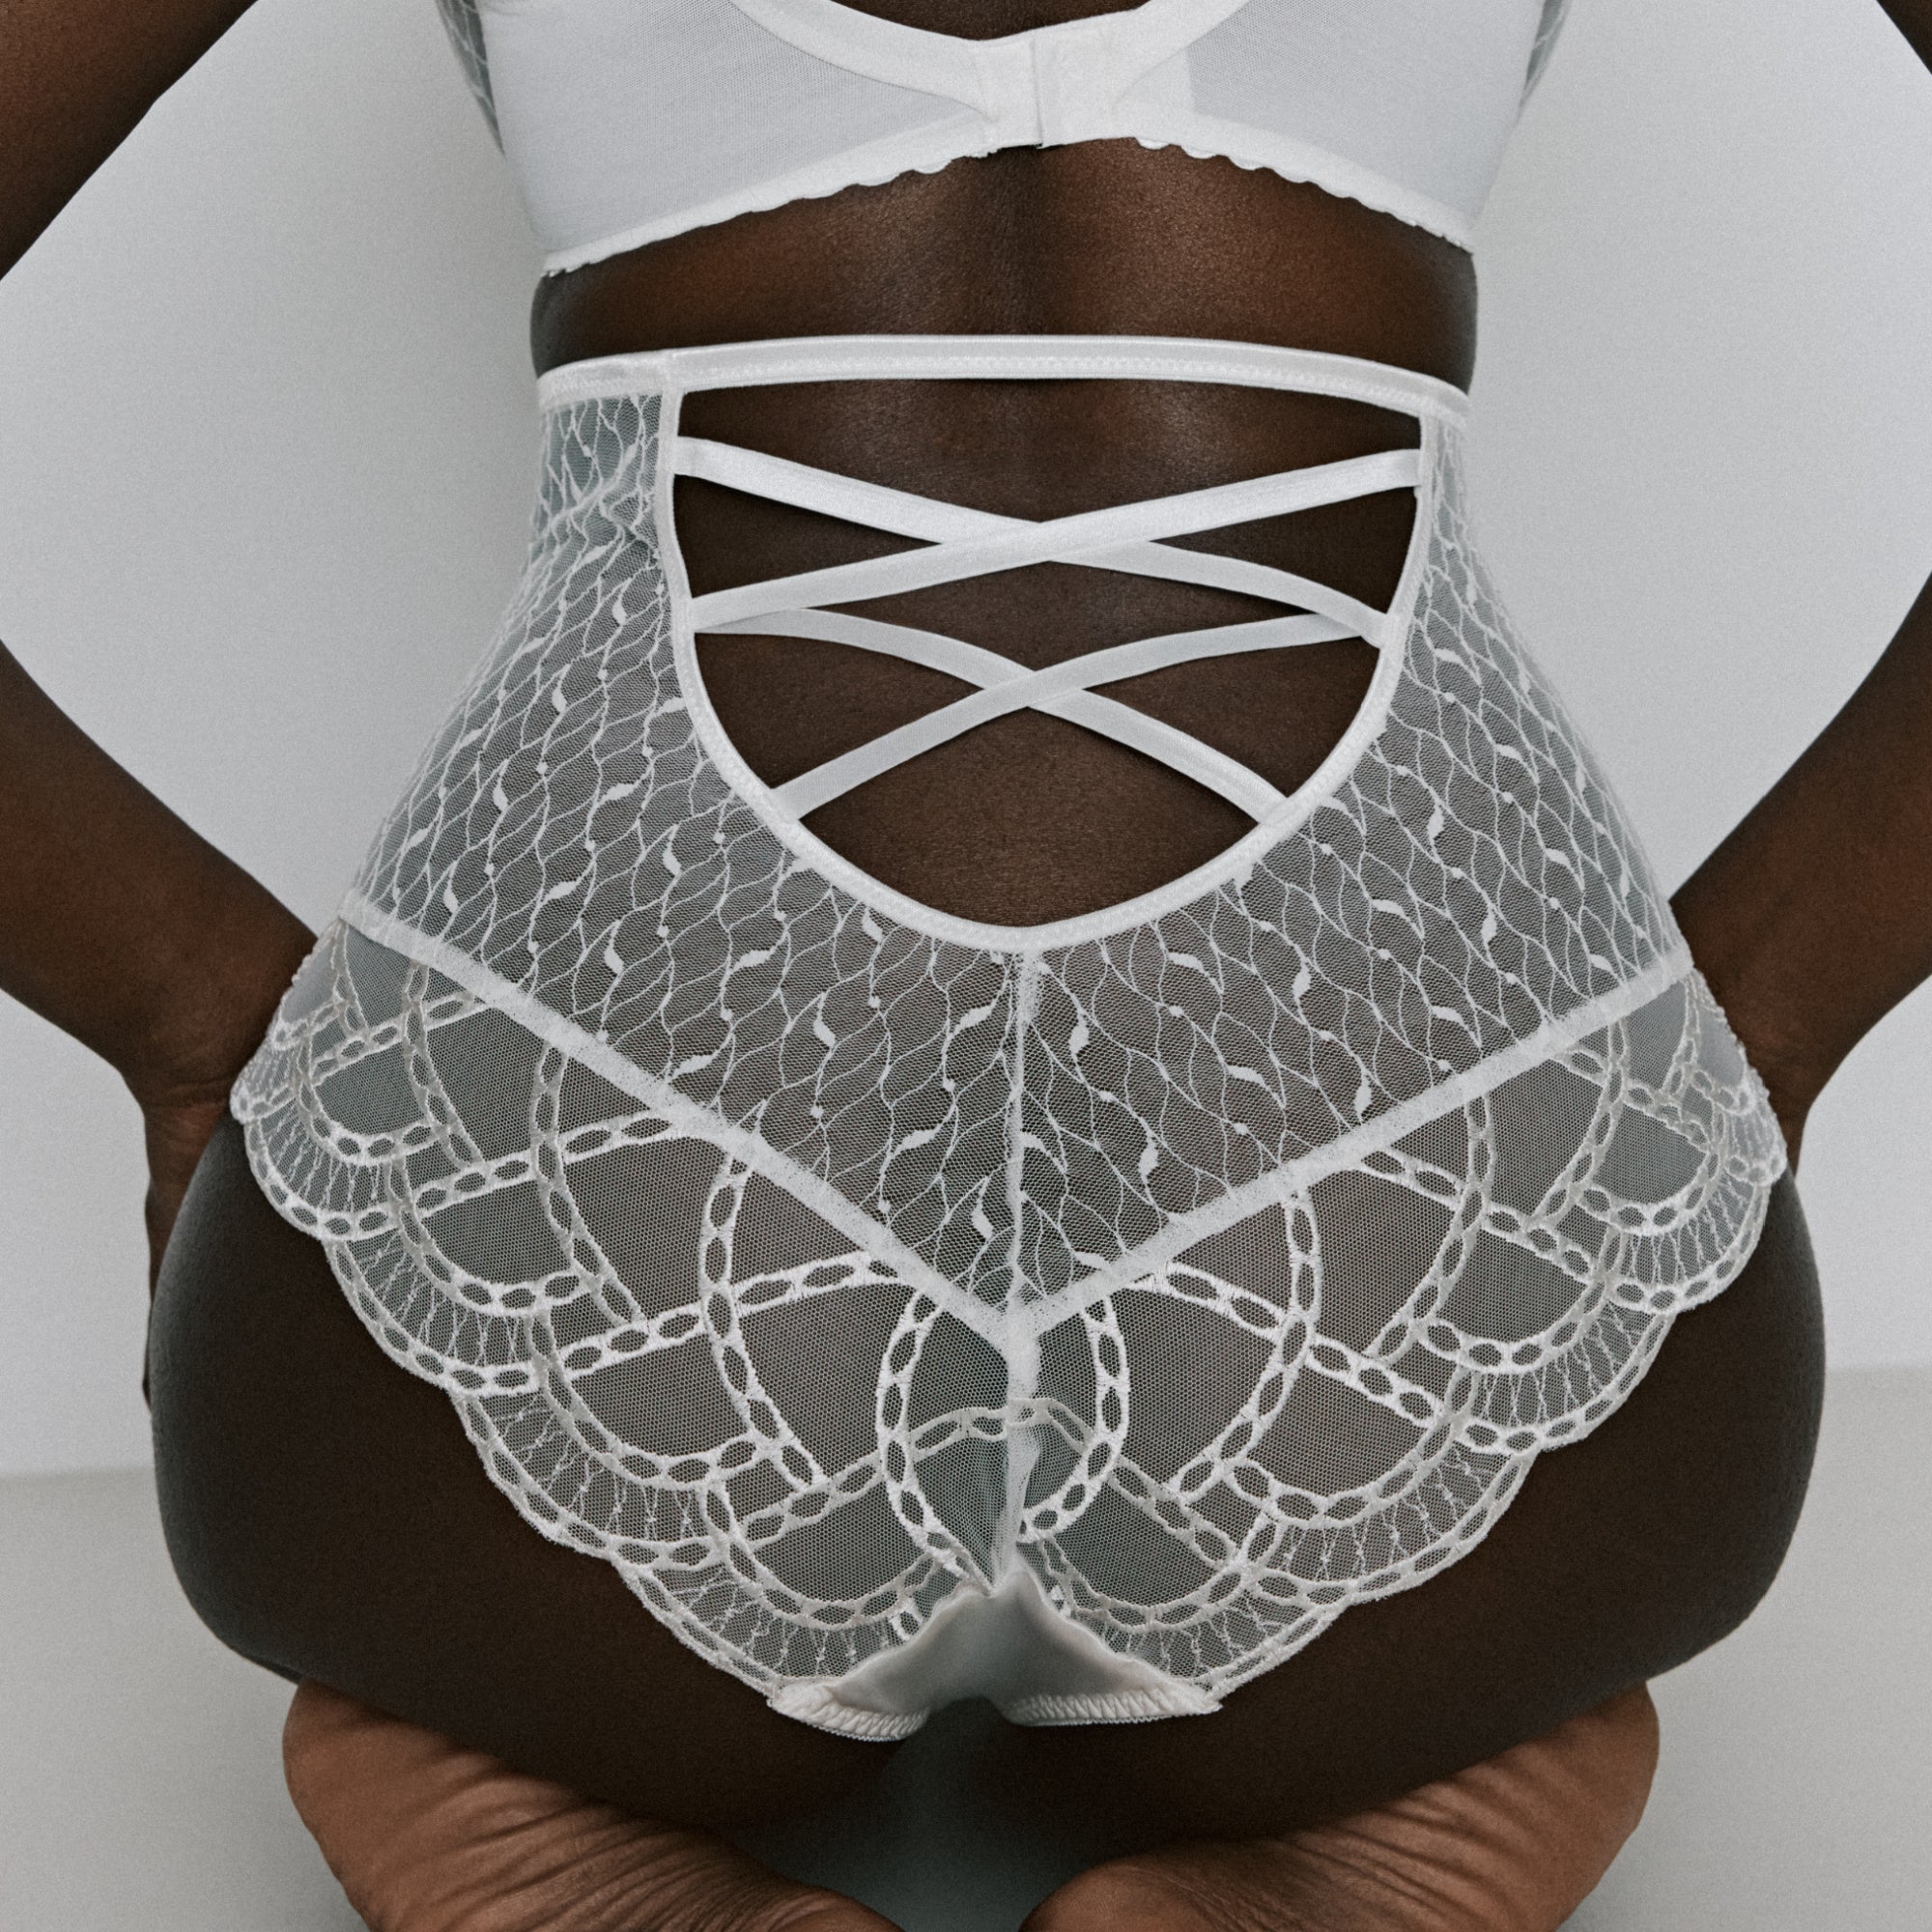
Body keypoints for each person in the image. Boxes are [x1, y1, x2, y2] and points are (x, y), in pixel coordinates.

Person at [4, 0, 1929, 1925]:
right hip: (1436, 1273)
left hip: (582, 1250)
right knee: (1531, 1672)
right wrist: (1729, 1035)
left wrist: (191, 1014)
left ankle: (491, 1785)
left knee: (417, 1667)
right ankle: (1408, 1820)